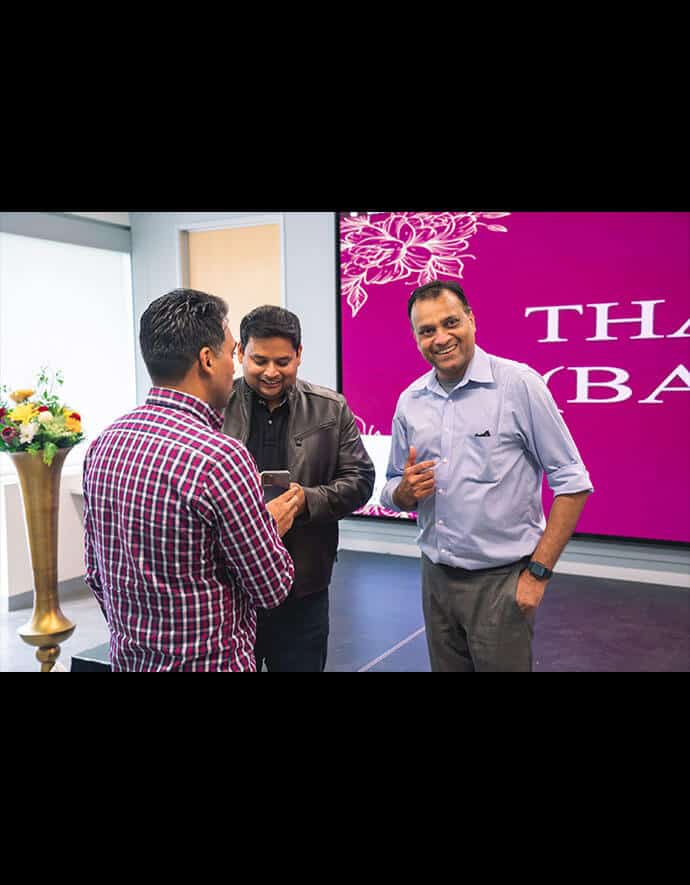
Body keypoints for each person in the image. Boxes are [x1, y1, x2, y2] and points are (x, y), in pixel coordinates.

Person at [380, 280, 593, 672]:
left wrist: (538, 575)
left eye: (451, 323)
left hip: (502, 582)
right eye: (427, 331)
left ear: (472, 321)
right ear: (415, 338)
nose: (441, 338)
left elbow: (573, 483)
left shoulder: (519, 385)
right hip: (435, 579)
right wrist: (405, 493)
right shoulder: (410, 401)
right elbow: (390, 488)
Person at [82, 289, 299, 671]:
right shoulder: (220, 459)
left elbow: (96, 574)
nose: (235, 367)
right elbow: (272, 586)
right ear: (206, 360)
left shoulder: (104, 444)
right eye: (232, 353)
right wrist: (268, 526)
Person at [222, 305, 375, 672]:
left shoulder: (330, 409)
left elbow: (361, 479)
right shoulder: (216, 405)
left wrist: (308, 500)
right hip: (232, 585)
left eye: (283, 361)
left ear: (300, 355)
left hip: (303, 581)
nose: (271, 372)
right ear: (241, 353)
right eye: (259, 360)